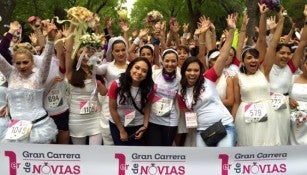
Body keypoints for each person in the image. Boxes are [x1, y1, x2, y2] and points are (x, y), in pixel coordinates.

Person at [177, 14, 236, 147]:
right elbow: (187, 114)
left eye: (196, 70)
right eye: (189, 70)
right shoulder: (180, 92)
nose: (192, 73)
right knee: (205, 166)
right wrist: (192, 125)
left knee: (223, 163)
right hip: (202, 132)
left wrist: (232, 31)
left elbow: (223, 56)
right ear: (183, 71)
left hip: (224, 126)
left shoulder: (208, 78)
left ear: (200, 71)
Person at [232, 4, 286, 146]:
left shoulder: (263, 71)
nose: (253, 60)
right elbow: (236, 102)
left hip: (268, 116)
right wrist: (232, 123)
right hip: (245, 118)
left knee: (268, 147)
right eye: (249, 58)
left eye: (255, 57)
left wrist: (266, 16)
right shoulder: (237, 77)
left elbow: (269, 42)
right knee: (248, 148)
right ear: (243, 62)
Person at [0, 21, 58, 143]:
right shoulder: (11, 73)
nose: (22, 66)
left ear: (32, 61)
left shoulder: (39, 75)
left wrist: (51, 39)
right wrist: (11, 32)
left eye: (25, 62)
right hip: (15, 129)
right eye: (18, 63)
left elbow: (47, 58)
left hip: (38, 128)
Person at [269, 5, 307, 145]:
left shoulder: (290, 68)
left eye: (288, 53)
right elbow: (269, 42)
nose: (285, 56)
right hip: (266, 110)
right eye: (282, 53)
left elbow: (302, 43)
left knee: (282, 143)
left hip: (283, 112)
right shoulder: (266, 67)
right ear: (274, 54)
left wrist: (306, 19)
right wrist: (280, 21)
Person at [65, 27, 107, 145]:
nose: (85, 55)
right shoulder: (71, 73)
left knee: (96, 152)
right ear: (76, 55)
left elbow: (104, 93)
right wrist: (72, 31)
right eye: (81, 52)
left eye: (88, 53)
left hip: (95, 118)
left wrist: (98, 83)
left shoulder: (96, 71)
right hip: (76, 119)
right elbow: (68, 52)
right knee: (80, 154)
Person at [108, 57, 154, 145]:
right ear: (130, 68)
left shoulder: (149, 88)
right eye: (137, 68)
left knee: (136, 155)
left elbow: (147, 107)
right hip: (118, 125)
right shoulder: (116, 84)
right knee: (122, 153)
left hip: (138, 126)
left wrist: (145, 126)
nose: (139, 72)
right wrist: (121, 130)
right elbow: (112, 108)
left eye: (144, 71)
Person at [95, 36, 129, 145]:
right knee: (108, 133)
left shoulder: (132, 67)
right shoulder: (107, 66)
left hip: (127, 104)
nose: (120, 53)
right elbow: (95, 69)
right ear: (112, 52)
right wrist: (91, 54)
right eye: (117, 51)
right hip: (109, 103)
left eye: (123, 50)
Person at [147, 49, 181, 146]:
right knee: (154, 148)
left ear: (177, 62)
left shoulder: (181, 78)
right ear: (162, 61)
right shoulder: (154, 74)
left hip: (171, 121)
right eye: (167, 61)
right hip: (153, 119)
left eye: (173, 61)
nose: (170, 64)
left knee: (166, 150)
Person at [289, 56, 307, 145]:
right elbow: (285, 94)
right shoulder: (292, 78)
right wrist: (288, 99)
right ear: (303, 64)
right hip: (293, 115)